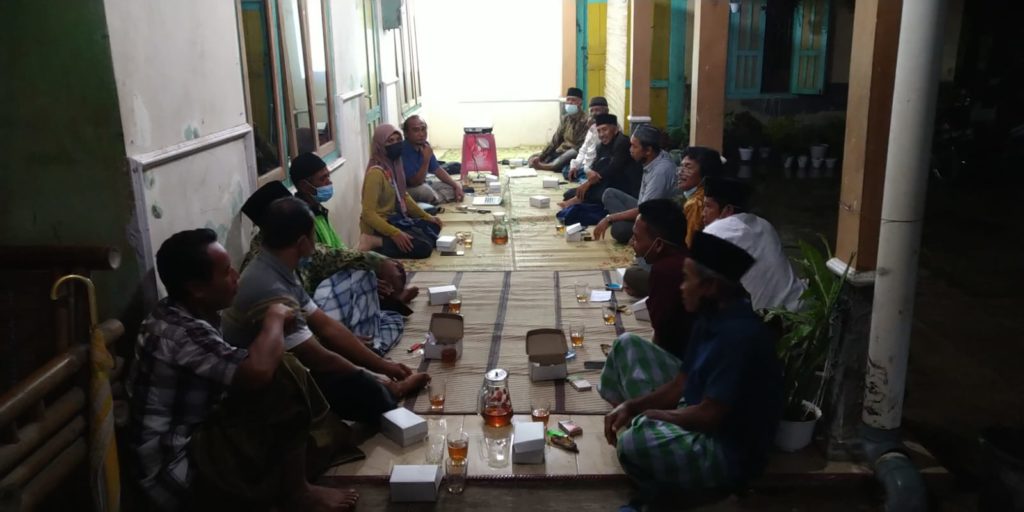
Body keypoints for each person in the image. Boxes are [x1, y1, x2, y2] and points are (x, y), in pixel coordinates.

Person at [129, 228, 359, 511]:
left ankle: (311, 456)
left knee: (282, 377)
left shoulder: (185, 311)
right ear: (197, 288)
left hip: (200, 432)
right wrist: (274, 319)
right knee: (281, 372)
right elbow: (258, 372)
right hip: (176, 470)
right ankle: (298, 492)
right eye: (226, 272)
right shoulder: (181, 331)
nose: (236, 275)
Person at [601, 231, 783, 502]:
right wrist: (632, 406)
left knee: (634, 441)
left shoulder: (738, 336)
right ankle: (645, 432)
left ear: (709, 286)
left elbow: (709, 416)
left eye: (687, 279)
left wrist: (656, 415)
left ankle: (683, 481)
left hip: (723, 447)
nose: (681, 287)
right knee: (626, 345)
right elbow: (681, 384)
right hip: (694, 407)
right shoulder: (709, 316)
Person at [223, 197, 430, 425]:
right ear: (302, 242)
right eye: (314, 234)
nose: (316, 241)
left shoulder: (278, 266)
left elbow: (326, 326)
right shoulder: (270, 287)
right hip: (264, 387)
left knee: (349, 356)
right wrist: (377, 378)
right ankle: (392, 391)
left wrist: (384, 366)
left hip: (288, 361)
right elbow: (317, 357)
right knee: (364, 390)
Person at [240, 181, 408, 355]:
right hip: (295, 347)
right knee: (380, 323)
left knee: (366, 279)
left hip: (314, 319)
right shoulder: (263, 274)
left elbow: (334, 255)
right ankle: (363, 349)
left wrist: (381, 262)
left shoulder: (289, 242)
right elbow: (293, 337)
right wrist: (342, 342)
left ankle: (366, 346)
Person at [601, 199, 692, 361]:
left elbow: (662, 334)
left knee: (624, 345)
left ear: (658, 245)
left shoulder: (665, 271)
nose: (631, 243)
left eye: (636, 238)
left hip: (684, 362)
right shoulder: (686, 257)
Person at [702, 177, 806, 312]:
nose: (703, 213)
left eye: (708, 206)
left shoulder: (716, 230)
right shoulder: (765, 224)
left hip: (770, 318)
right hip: (801, 305)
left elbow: (695, 282)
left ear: (728, 209)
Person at [358, 124, 443, 259]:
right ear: (380, 145)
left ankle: (388, 243)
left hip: (395, 219)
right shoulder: (376, 173)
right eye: (390, 141)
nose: (396, 144)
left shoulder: (394, 166)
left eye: (398, 140)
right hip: (379, 227)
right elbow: (368, 214)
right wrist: (394, 233)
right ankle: (373, 242)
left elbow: (403, 197)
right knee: (424, 247)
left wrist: (427, 217)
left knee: (433, 227)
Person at [592, 124, 679, 244]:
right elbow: (642, 205)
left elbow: (645, 211)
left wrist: (609, 218)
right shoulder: (655, 156)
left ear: (648, 150)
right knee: (609, 194)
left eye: (634, 146)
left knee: (619, 230)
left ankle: (640, 233)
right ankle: (630, 225)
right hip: (644, 207)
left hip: (657, 221)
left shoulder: (661, 171)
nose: (630, 150)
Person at [558, 113, 642, 208]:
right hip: (605, 183)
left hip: (624, 186)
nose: (601, 134)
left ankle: (580, 199)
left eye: (605, 129)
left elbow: (613, 168)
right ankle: (581, 198)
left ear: (615, 129)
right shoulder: (601, 146)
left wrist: (588, 183)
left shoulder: (622, 142)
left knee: (602, 175)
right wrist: (590, 174)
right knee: (569, 194)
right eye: (599, 131)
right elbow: (597, 168)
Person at [401, 115, 464, 205]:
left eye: (423, 129)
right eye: (416, 130)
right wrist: (426, 160)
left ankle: (432, 200)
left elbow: (437, 170)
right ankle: (433, 199)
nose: (421, 134)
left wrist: (456, 186)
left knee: (456, 186)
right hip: (409, 189)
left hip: (424, 183)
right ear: (406, 133)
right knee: (425, 192)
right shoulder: (403, 150)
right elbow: (415, 182)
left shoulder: (425, 145)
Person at [529, 87, 589, 173]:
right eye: (568, 99)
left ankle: (546, 166)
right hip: (561, 151)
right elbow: (555, 140)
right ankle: (545, 163)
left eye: (573, 100)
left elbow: (581, 145)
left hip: (574, 151)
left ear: (580, 102)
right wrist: (542, 155)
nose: (570, 102)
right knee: (533, 157)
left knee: (568, 155)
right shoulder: (565, 119)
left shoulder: (586, 120)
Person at [676, 146, 724, 248]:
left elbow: (688, 245)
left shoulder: (696, 203)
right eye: (681, 166)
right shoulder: (711, 195)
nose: (680, 172)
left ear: (705, 172)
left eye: (688, 167)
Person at [566, 96, 611, 182]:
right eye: (592, 111)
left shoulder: (611, 127)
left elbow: (596, 154)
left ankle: (585, 180)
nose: (594, 113)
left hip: (597, 168)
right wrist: (575, 166)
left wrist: (586, 169)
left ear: (606, 111)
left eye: (597, 110)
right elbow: (584, 149)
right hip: (585, 166)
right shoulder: (592, 126)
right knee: (567, 169)